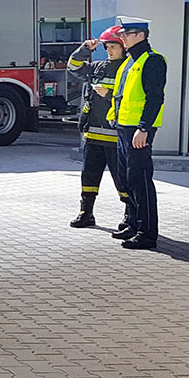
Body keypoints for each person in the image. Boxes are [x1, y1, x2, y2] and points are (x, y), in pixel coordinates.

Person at [108, 15, 166, 250]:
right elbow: (121, 95)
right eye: (121, 34)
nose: (122, 37)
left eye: (126, 34)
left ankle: (147, 232)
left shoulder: (152, 60)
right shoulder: (131, 60)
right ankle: (133, 223)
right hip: (124, 128)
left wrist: (144, 127)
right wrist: (113, 116)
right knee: (127, 178)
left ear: (141, 35)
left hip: (138, 130)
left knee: (140, 180)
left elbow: (155, 97)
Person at [66, 26, 130, 229]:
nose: (109, 50)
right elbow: (73, 68)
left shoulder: (128, 69)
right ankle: (86, 213)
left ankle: (130, 214)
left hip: (115, 136)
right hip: (93, 134)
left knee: (122, 178)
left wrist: (108, 95)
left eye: (114, 47)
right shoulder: (98, 66)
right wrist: (85, 49)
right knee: (89, 175)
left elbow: (130, 98)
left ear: (123, 48)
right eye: (108, 46)